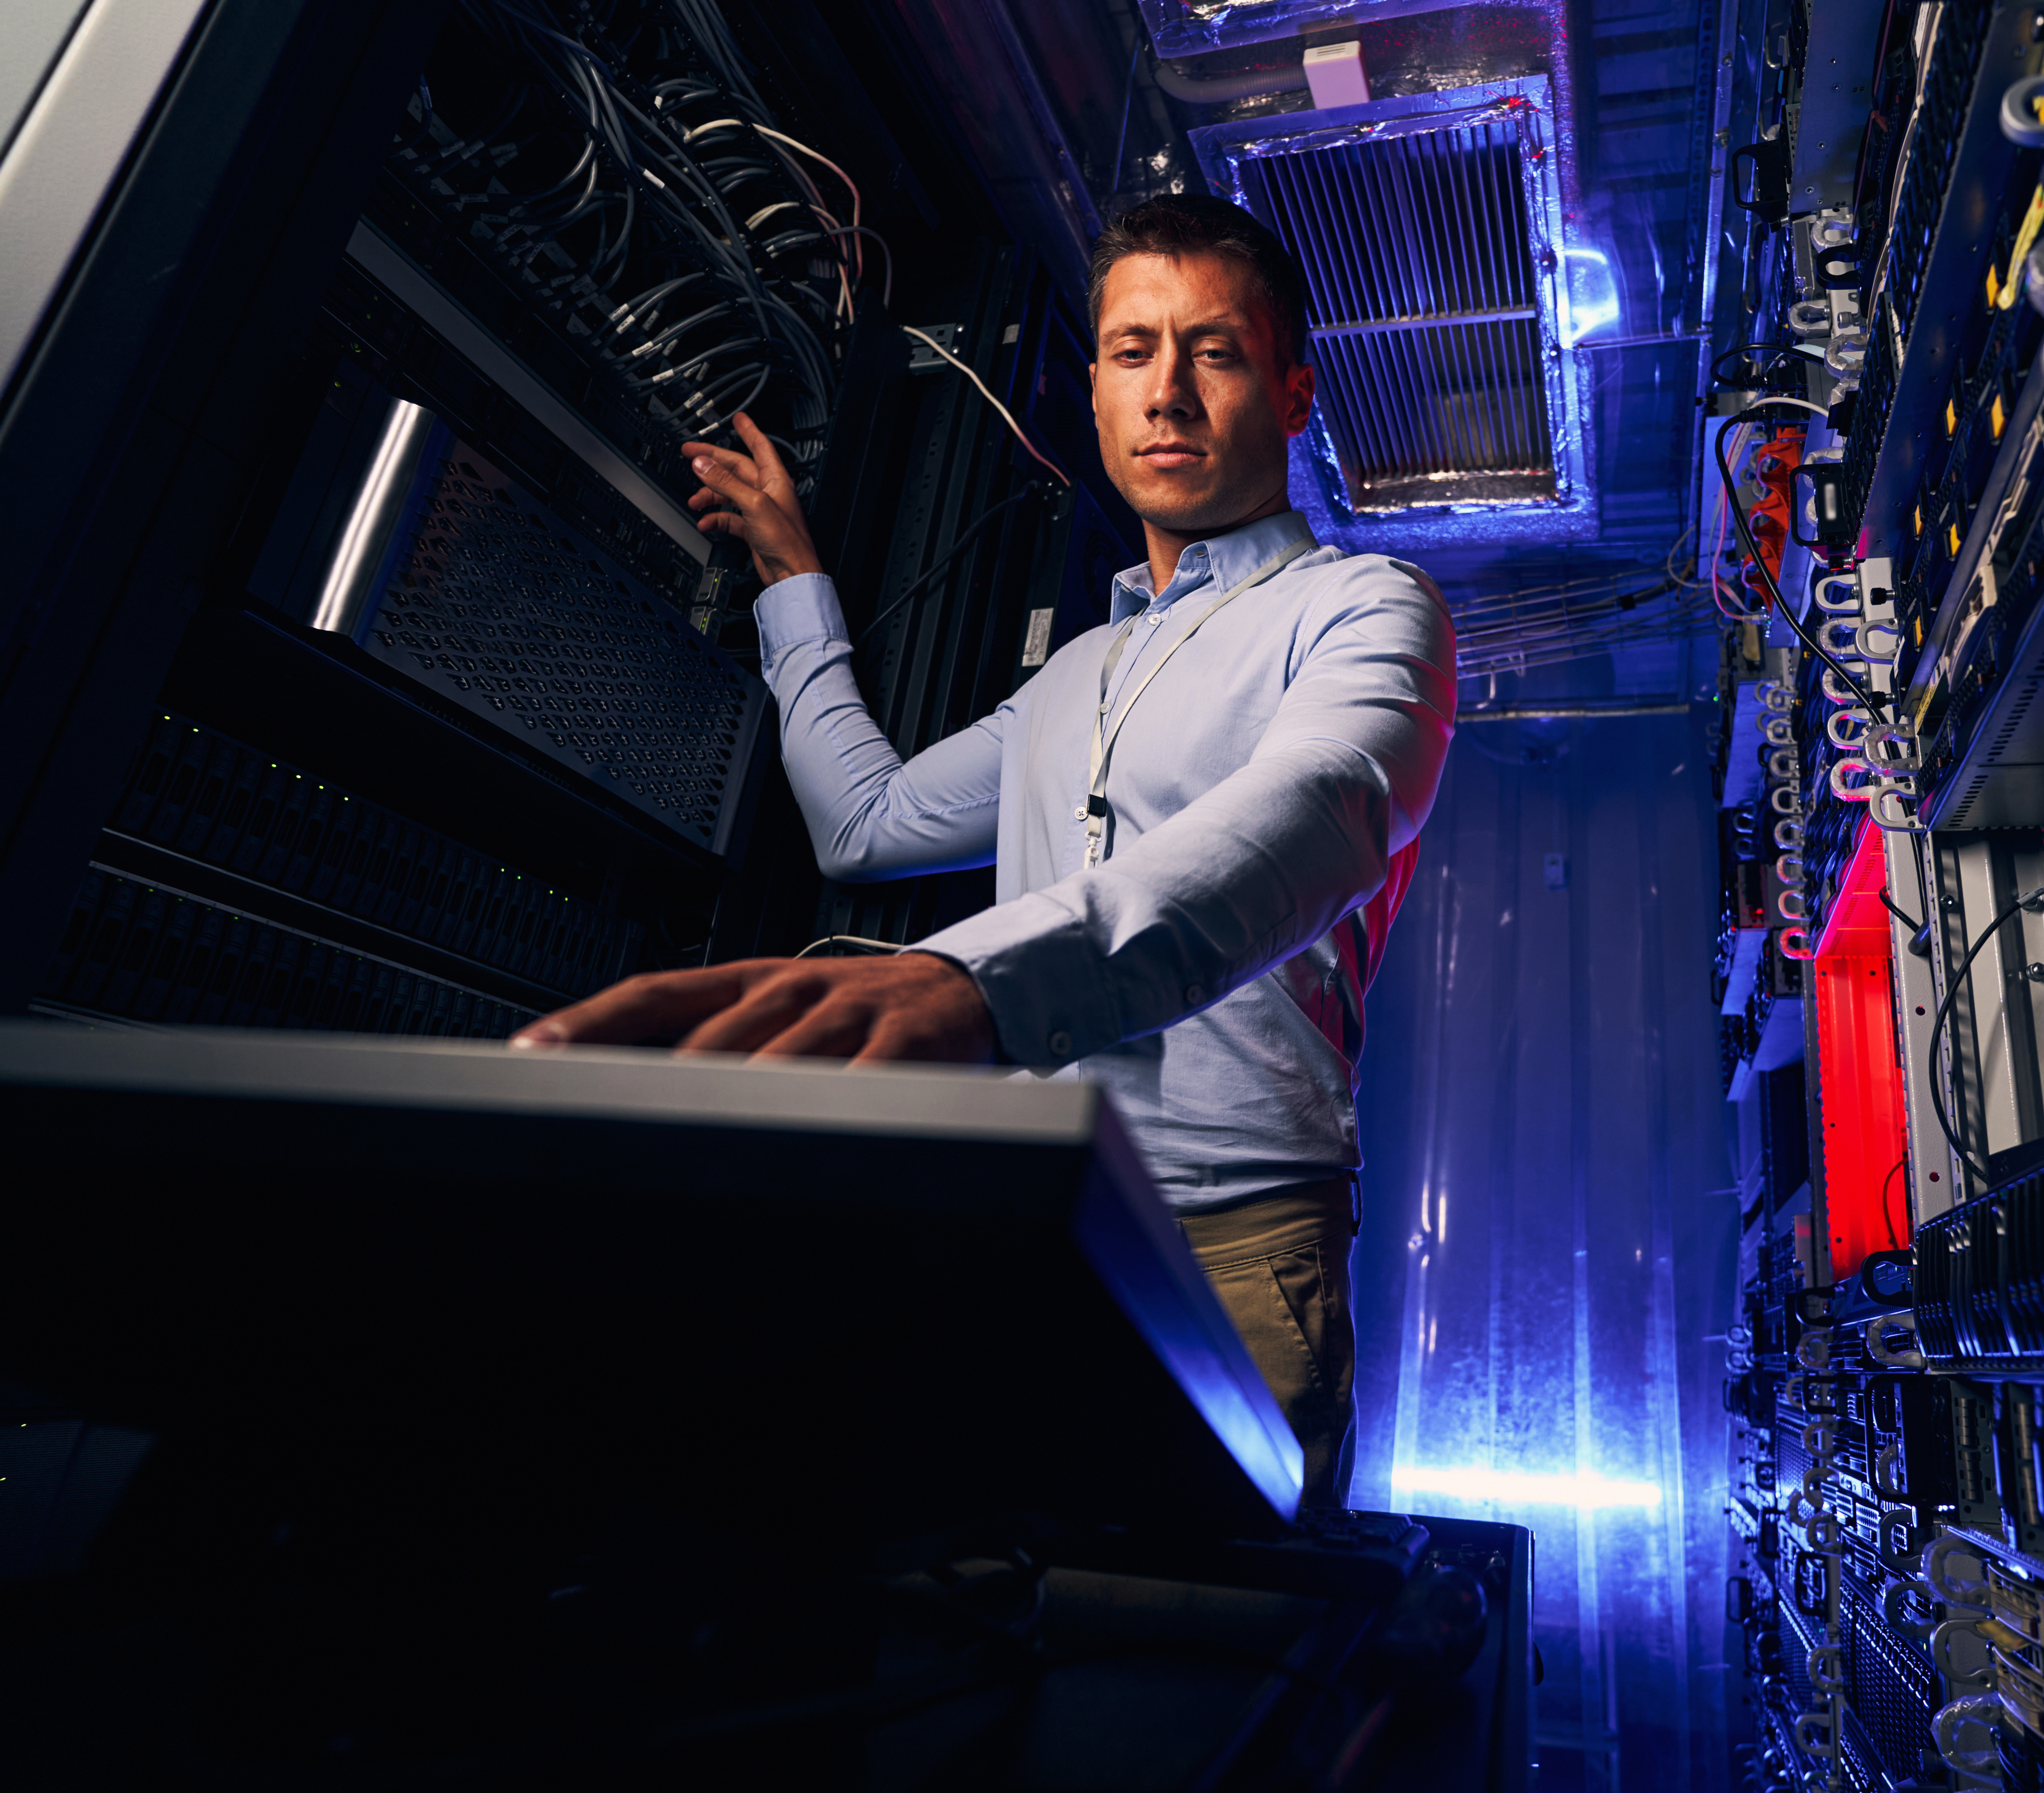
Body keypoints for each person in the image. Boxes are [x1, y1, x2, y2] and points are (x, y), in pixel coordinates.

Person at [511, 196, 1457, 1510]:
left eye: (1216, 353)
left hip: (1230, 1241)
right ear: (1096, 388)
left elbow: (1316, 811)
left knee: (1177, 1662)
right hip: (1015, 1216)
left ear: (1294, 395)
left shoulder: (1365, 608)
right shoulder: (1074, 674)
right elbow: (868, 824)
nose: (1168, 393)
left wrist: (972, 988)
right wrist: (794, 584)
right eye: (1134, 352)